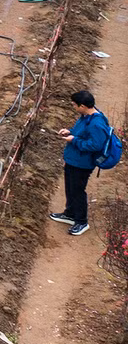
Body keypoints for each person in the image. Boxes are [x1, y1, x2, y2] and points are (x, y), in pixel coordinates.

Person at [52, 90, 115, 236]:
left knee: (78, 191)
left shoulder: (97, 123)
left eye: (74, 105)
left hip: (82, 164)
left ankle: (81, 221)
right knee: (70, 188)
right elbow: (81, 132)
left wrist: (74, 140)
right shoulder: (86, 116)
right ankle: (70, 213)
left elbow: (95, 145)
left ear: (82, 105)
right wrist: (70, 132)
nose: (73, 107)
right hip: (73, 160)